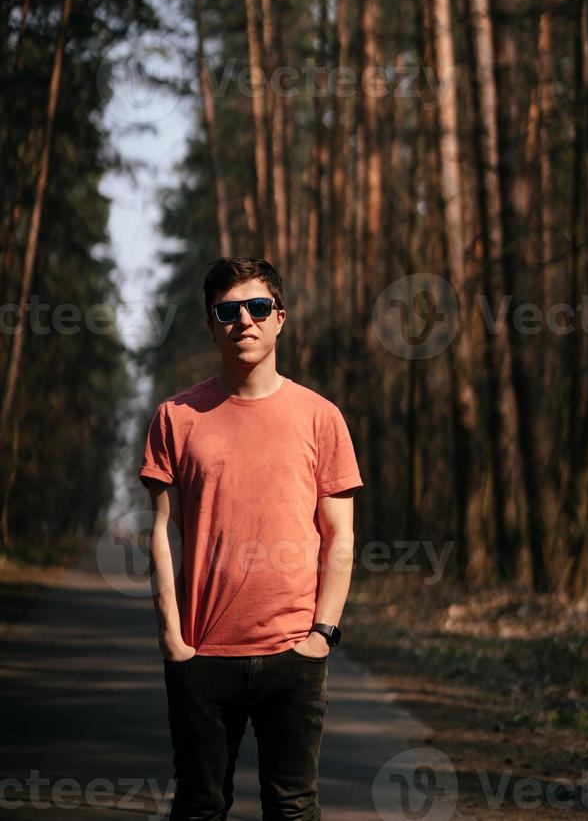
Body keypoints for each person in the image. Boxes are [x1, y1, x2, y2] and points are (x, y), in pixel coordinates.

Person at [138, 256, 364, 821]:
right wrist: (172, 637)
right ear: (212, 323)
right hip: (201, 651)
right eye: (228, 310)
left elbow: (340, 536)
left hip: (293, 652)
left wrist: (323, 634)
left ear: (280, 317)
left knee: (292, 807)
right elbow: (161, 531)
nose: (245, 320)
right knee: (199, 806)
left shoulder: (321, 417)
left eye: (258, 307)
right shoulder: (175, 417)